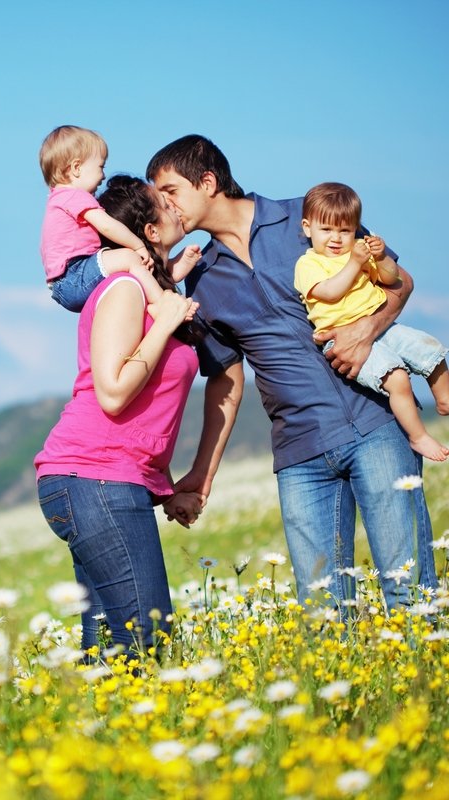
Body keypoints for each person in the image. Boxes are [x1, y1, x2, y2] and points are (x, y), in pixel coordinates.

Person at [146, 134, 438, 610]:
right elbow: (225, 379)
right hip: (300, 456)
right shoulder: (201, 280)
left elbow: (399, 281)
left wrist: (366, 331)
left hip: (376, 426)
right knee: (322, 613)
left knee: (409, 593)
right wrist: (202, 474)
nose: (163, 206)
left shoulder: (309, 217)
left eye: (170, 191)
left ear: (208, 181)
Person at [35, 175, 201, 657]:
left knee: (110, 646)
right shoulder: (126, 287)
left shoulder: (153, 293)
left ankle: (97, 730)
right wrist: (166, 323)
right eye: (165, 203)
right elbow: (112, 393)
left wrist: (165, 483)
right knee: (148, 640)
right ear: (148, 230)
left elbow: (151, 408)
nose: (175, 208)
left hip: (107, 478)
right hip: (92, 478)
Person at [295, 182, 449, 461]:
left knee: (430, 348)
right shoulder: (309, 264)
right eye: (326, 229)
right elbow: (329, 291)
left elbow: (391, 279)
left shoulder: (358, 251)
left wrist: (382, 257)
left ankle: (444, 396)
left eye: (345, 230)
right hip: (341, 338)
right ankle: (419, 437)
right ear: (308, 228)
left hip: (379, 324)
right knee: (397, 378)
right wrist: (355, 263)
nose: (336, 238)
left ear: (355, 228)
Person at [39, 125, 200, 313]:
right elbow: (107, 226)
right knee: (129, 257)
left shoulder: (57, 199)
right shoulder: (74, 196)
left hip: (66, 283)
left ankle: (168, 274)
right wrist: (138, 246)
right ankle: (162, 304)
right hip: (74, 275)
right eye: (100, 166)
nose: (103, 175)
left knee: (132, 267)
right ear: (76, 168)